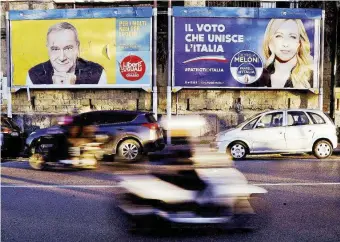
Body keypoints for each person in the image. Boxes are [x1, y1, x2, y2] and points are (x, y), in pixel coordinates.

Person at [26, 22, 107, 85]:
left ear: (77, 47)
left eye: (68, 48)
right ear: (48, 49)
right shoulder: (34, 75)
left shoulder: (96, 73)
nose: (62, 58)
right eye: (55, 49)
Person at [254, 19, 313, 88]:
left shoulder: (311, 77)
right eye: (279, 36)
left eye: (292, 37)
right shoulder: (257, 77)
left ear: (299, 43)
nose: (285, 44)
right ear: (269, 42)